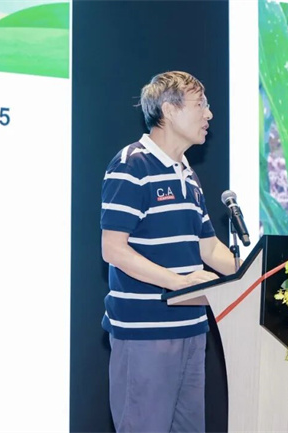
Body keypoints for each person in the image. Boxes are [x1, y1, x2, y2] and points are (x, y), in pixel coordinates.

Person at [100, 71, 237, 432]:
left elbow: (209, 248)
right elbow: (113, 249)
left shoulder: (187, 173)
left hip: (192, 329)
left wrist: (255, 272)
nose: (209, 114)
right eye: (200, 104)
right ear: (170, 110)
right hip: (146, 334)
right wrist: (178, 282)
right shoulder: (132, 164)